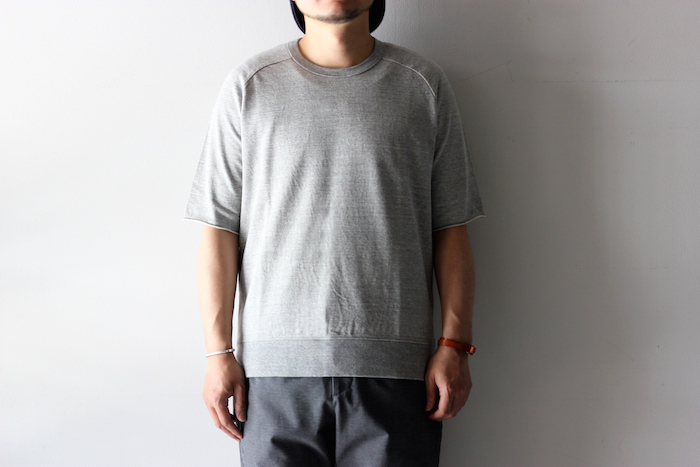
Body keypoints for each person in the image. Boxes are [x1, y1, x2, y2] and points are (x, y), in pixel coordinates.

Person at [184, 0, 484, 465]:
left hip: (399, 371)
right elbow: (220, 230)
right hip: (270, 377)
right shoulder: (250, 85)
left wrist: (455, 345)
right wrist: (217, 353)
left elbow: (450, 227)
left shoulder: (422, 84)